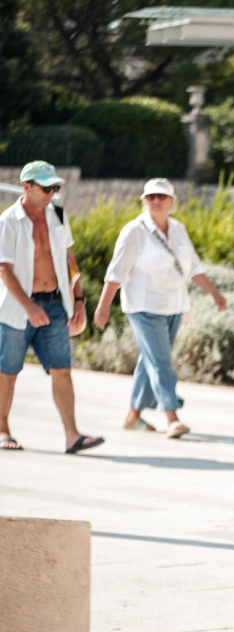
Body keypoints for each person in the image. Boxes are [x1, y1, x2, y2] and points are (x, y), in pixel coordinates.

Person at [93, 179, 227, 439]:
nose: (156, 201)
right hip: (143, 307)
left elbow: (193, 268)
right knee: (161, 362)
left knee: (150, 361)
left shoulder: (178, 229)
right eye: (150, 196)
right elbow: (116, 271)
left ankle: (132, 416)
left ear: (172, 202)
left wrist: (214, 293)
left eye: (161, 197)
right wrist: (103, 306)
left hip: (174, 307)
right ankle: (172, 417)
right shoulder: (134, 231)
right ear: (144, 201)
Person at [0, 161, 103, 454]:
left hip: (55, 303)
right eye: (46, 188)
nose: (51, 193)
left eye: (55, 187)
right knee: (7, 371)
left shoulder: (57, 214)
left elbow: (70, 261)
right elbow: (4, 269)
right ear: (26, 187)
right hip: (17, 307)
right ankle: (2, 430)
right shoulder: (8, 220)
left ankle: (72, 436)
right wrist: (29, 307)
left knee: (62, 370)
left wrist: (79, 300)